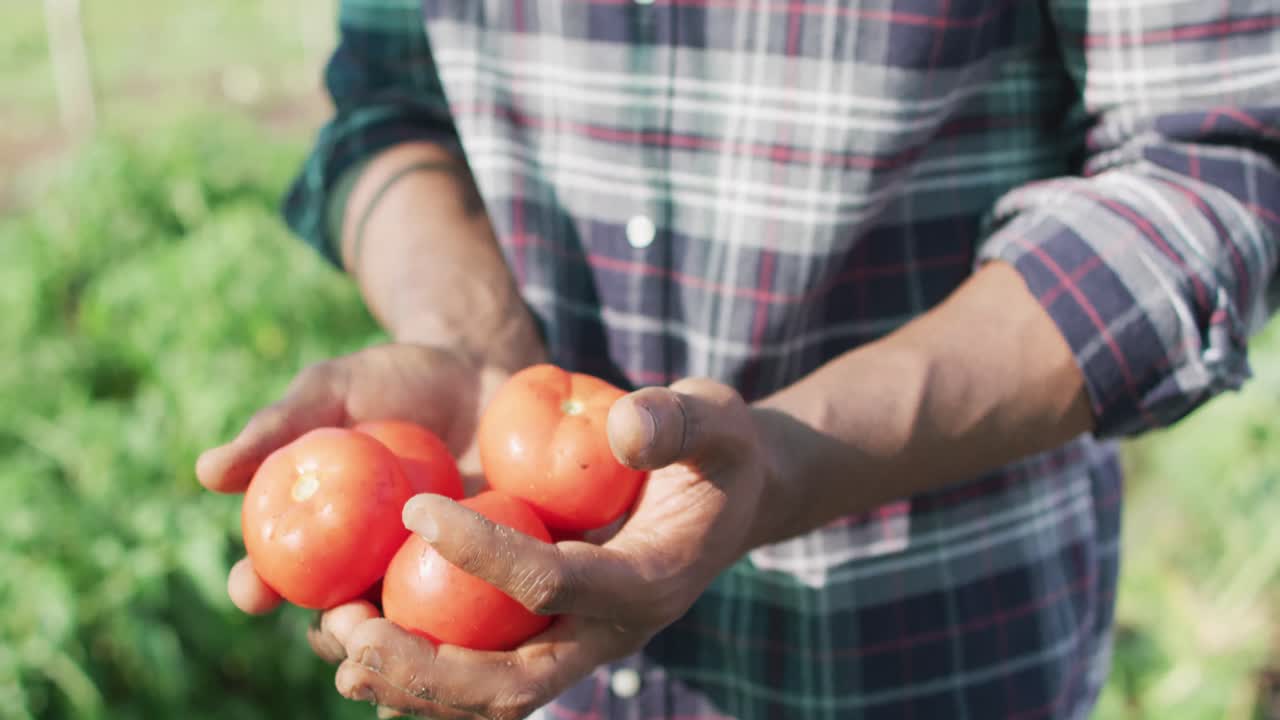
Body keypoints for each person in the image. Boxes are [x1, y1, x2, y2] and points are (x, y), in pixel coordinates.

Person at [195, 1, 1279, 717]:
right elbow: (390, 99)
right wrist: (465, 339)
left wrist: (788, 458)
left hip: (917, 651)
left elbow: (1210, 170)